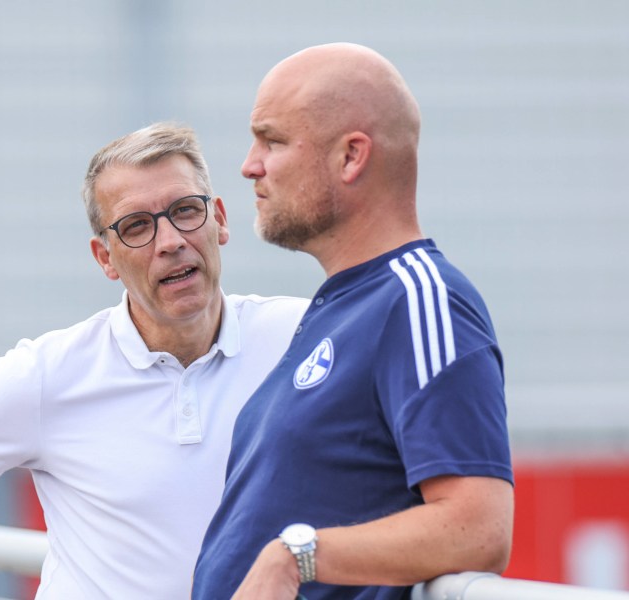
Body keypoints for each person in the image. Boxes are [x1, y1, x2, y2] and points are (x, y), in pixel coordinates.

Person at [0, 122, 309, 599]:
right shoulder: (48, 374)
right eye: (137, 226)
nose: (170, 240)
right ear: (105, 258)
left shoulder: (302, 338)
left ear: (219, 220)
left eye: (185, 211)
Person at [192, 43, 514, 600]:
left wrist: (296, 556)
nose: (250, 165)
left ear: (351, 157)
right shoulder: (343, 304)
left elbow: (477, 528)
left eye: (272, 140)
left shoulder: (420, 299)